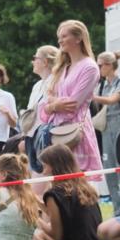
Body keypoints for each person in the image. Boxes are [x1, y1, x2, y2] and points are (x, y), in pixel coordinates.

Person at [36, 20, 101, 173]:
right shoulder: (63, 68)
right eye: (59, 37)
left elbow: (73, 104)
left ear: (78, 38)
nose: (60, 40)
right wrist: (54, 105)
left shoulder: (89, 67)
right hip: (55, 132)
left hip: (74, 133)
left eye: (64, 36)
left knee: (76, 179)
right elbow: (45, 101)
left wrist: (52, 104)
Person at [32, 144, 108, 240]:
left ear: (54, 166)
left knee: (35, 239)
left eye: (45, 166)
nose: (43, 171)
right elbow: (64, 215)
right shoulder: (85, 188)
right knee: (42, 235)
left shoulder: (54, 194)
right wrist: (35, 201)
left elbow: (57, 235)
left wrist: (35, 219)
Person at [91, 51, 120, 216]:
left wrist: (92, 96)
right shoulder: (101, 85)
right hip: (106, 130)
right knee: (109, 171)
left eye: (100, 65)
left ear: (109, 65)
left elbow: (113, 100)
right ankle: (118, 211)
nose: (98, 69)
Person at [22, 45, 59, 171]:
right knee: (37, 174)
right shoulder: (37, 85)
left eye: (35, 58)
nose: (32, 61)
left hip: (45, 135)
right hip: (31, 135)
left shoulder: (57, 81)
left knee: (46, 174)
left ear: (45, 62)